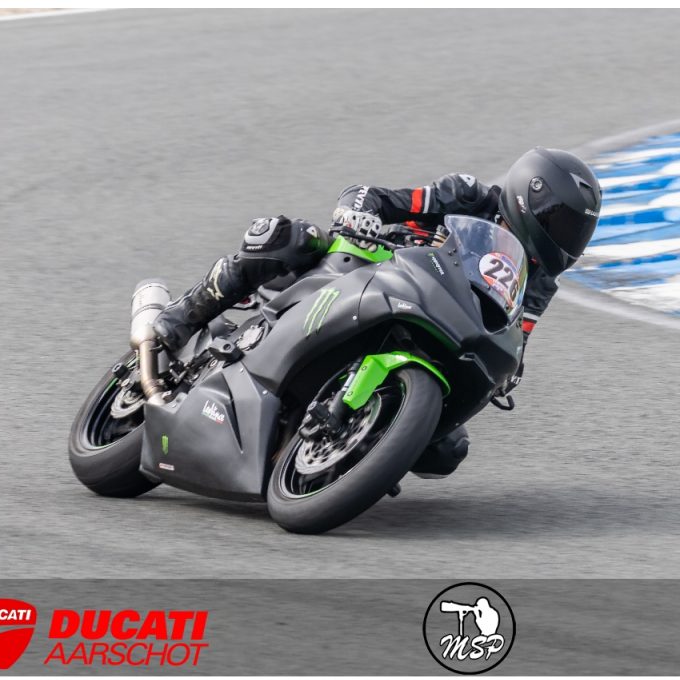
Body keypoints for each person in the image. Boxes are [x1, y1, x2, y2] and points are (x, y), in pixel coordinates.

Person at [151, 147, 602, 473]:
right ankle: (183, 315)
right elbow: (374, 196)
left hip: (443, 322)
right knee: (286, 237)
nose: (567, 238)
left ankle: (351, 449)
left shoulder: (539, 280)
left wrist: (509, 368)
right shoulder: (469, 196)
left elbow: (518, 333)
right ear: (529, 196)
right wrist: (359, 213)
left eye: (577, 231)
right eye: (561, 222)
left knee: (447, 450)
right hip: (371, 267)